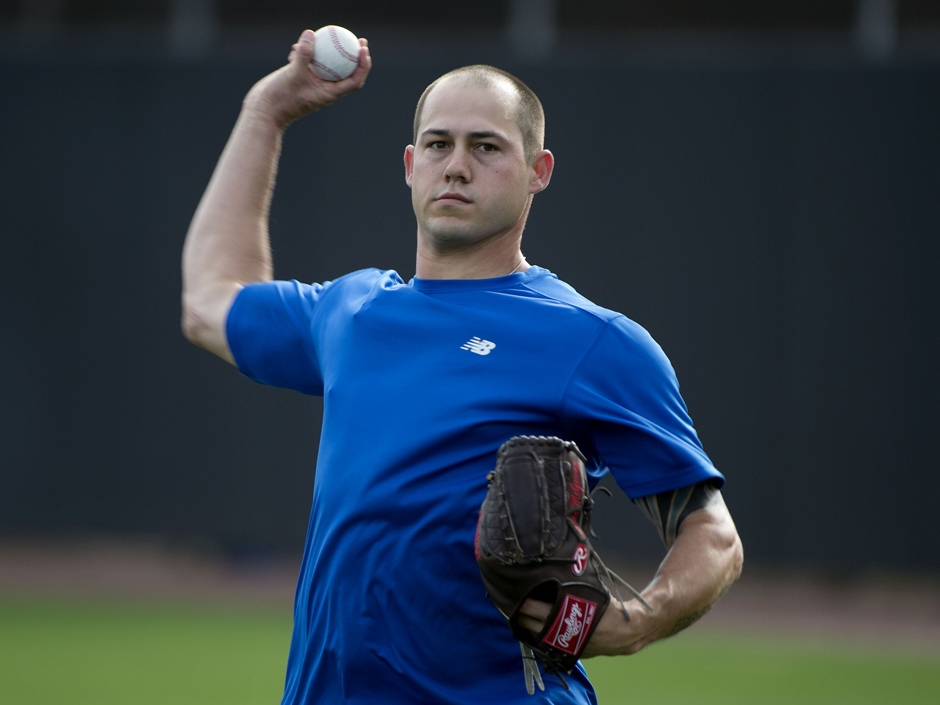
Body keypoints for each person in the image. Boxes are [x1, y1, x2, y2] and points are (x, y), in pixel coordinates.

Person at [182, 28, 743, 705]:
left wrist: (632, 623)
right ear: (411, 164)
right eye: (441, 145)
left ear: (539, 171)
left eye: (487, 147)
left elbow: (712, 535)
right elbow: (209, 302)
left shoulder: (592, 341)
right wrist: (265, 111)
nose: (457, 166)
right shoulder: (353, 311)